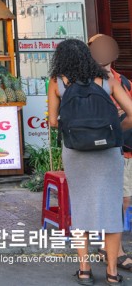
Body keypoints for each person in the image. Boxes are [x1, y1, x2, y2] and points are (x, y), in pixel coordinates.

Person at [48, 39, 132, 285]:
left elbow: (53, 121)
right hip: (108, 152)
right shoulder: (108, 80)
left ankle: (84, 270)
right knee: (111, 209)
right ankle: (113, 272)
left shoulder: (58, 82)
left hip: (76, 152)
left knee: (81, 207)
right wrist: (115, 130)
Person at [88, 34, 132, 272]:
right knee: (118, 199)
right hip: (103, 150)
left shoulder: (122, 81)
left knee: (125, 199)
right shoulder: (85, 82)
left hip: (124, 147)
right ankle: (114, 250)